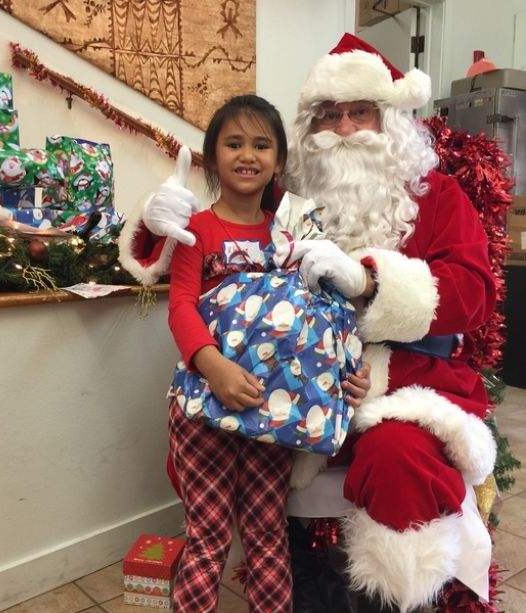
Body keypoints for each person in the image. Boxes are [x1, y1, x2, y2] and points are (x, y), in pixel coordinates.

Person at [119, 34, 497, 613]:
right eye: (327, 114)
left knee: (397, 456)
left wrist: (368, 283)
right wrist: (155, 221)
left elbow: (473, 293)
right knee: (211, 443)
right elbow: (211, 245)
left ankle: (396, 599)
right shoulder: (286, 198)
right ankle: (299, 587)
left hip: (403, 381)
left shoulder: (437, 196)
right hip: (291, 380)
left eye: (359, 112)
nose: (342, 129)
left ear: (391, 120)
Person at [167, 93, 370, 612]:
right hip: (204, 406)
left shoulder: (294, 232)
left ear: (279, 160)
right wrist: (213, 367)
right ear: (212, 157)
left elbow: (322, 316)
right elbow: (181, 307)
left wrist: (351, 371)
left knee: (265, 536)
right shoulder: (196, 229)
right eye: (233, 143)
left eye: (261, 145)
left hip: (274, 414)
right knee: (207, 535)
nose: (247, 155)